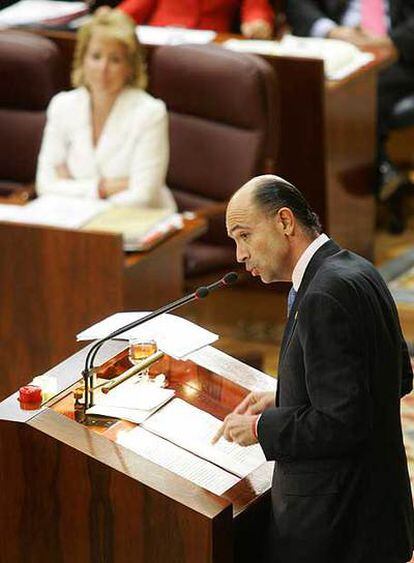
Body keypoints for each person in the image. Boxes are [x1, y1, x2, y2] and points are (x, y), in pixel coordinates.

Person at [213, 174, 414, 562]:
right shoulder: (358, 269)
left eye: (244, 236)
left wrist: (259, 427)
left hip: (338, 529)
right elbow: (395, 377)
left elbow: (342, 423)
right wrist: (287, 395)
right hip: (375, 515)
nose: (239, 254)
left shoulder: (324, 294)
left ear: (284, 222)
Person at [36, 9, 176, 210]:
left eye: (115, 59)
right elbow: (45, 185)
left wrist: (72, 189)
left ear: (130, 67)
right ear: (82, 59)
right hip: (73, 223)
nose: (103, 68)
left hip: (139, 224)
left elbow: (142, 194)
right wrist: (102, 189)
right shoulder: (62, 105)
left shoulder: (150, 112)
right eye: (96, 56)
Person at [285, 0, 414, 206]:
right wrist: (333, 31)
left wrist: (392, 42)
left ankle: (368, 181)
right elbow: (298, 4)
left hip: (401, 56)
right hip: (341, 49)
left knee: (362, 92)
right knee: (306, 91)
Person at [115, 0, 274, 39]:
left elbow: (256, 7)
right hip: (160, 39)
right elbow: (137, 5)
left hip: (210, 48)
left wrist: (257, 22)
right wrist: (114, 18)